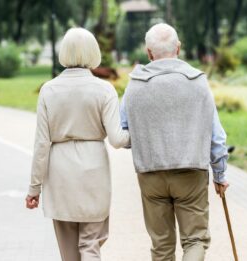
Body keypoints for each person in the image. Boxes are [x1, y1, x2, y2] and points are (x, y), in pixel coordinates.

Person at [120, 23, 229, 261]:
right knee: (195, 240)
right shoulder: (197, 81)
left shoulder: (135, 85)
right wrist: (220, 174)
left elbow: (124, 131)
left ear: (149, 52)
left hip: (150, 174)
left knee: (161, 246)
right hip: (191, 172)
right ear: (178, 48)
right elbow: (216, 136)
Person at [25, 27, 130, 261]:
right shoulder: (104, 90)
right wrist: (138, 134)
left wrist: (34, 188)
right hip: (94, 171)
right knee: (91, 245)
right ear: (93, 52)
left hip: (60, 173)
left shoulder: (48, 90)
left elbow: (41, 144)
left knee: (68, 252)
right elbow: (117, 139)